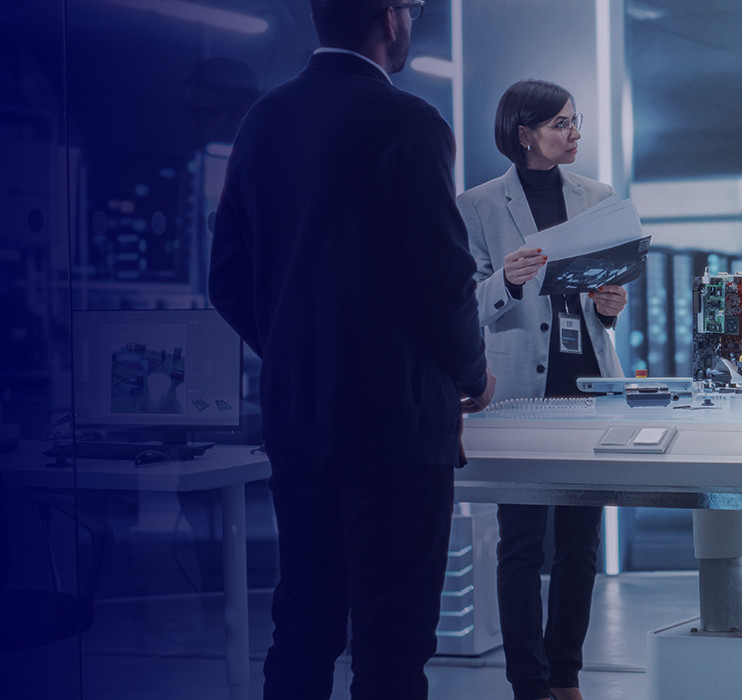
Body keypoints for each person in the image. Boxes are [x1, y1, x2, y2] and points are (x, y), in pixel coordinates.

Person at [208, 1, 494, 698]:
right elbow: (444, 277)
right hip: (396, 428)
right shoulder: (410, 124)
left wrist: (296, 350)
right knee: (391, 647)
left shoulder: (263, 121)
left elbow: (226, 280)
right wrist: (471, 372)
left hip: (298, 422)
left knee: (302, 629)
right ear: (391, 18)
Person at [455, 79, 627, 700]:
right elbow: (465, 307)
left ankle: (566, 677)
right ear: (525, 133)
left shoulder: (597, 196)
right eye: (561, 124)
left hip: (586, 386)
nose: (574, 133)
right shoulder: (476, 206)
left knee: (581, 545)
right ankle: (528, 682)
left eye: (576, 122)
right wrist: (506, 278)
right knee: (522, 544)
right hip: (517, 390)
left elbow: (604, 294)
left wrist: (611, 304)